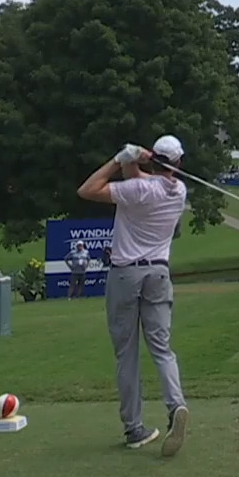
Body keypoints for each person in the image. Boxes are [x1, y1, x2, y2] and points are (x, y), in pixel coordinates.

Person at [79, 135, 194, 456]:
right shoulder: (179, 191)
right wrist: (137, 161)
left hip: (125, 274)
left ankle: (134, 428)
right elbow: (144, 181)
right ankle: (176, 405)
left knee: (126, 354)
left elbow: (87, 190)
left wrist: (120, 159)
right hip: (159, 273)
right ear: (178, 163)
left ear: (154, 159)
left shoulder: (136, 190)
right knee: (162, 349)